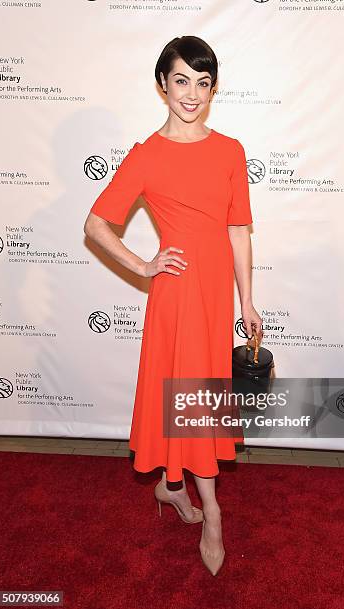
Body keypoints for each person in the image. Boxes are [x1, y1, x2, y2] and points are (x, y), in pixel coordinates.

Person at [84, 35, 262, 576]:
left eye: (203, 83)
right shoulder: (146, 156)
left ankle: (170, 486)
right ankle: (212, 512)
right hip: (178, 297)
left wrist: (248, 301)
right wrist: (143, 265)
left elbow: (238, 231)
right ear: (162, 85)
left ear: (213, 89)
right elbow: (96, 224)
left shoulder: (230, 150)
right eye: (181, 80)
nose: (192, 93)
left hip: (215, 297)